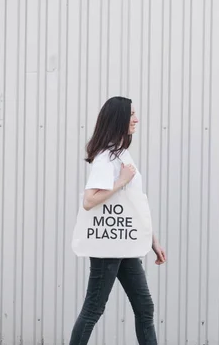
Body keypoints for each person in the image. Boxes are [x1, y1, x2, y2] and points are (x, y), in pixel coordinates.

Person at [70, 96, 166, 345]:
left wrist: (151, 239)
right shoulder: (106, 157)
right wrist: (120, 181)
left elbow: (132, 204)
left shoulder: (122, 153)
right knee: (93, 309)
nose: (136, 119)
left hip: (124, 243)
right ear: (118, 119)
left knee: (145, 307)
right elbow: (90, 200)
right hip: (108, 247)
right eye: (131, 114)